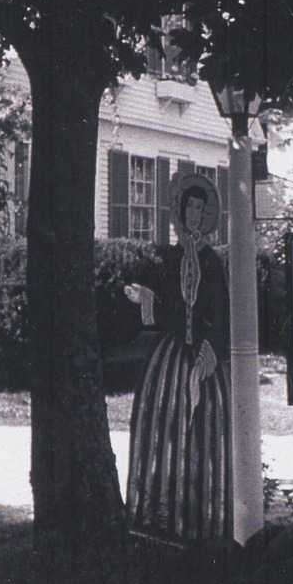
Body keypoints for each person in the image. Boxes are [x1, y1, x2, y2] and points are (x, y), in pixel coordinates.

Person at [124, 173, 233, 544]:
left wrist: (210, 353)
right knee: (163, 429)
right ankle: (160, 520)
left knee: (203, 435)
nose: (194, 214)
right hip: (169, 360)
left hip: (204, 360)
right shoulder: (169, 258)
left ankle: (203, 523)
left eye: (201, 208)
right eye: (190, 206)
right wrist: (146, 299)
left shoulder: (214, 263)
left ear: (206, 215)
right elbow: (170, 309)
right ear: (181, 211)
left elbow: (222, 313)